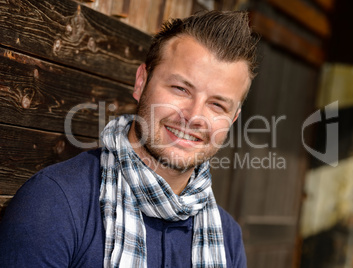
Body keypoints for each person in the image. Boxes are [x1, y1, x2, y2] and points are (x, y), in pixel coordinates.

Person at [0, 10, 258, 268]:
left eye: (217, 105)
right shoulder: (54, 203)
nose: (193, 116)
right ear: (141, 82)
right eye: (180, 89)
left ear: (232, 119)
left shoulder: (228, 239)